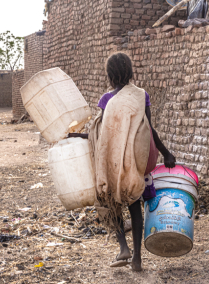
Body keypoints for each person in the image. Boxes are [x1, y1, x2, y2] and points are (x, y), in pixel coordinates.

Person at [69, 53, 176, 271]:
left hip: (112, 162)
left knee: (111, 203)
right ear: (130, 72)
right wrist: (166, 153)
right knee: (135, 205)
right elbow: (148, 129)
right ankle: (137, 258)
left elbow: (102, 136)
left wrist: (76, 137)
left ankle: (123, 248)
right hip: (136, 161)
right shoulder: (140, 95)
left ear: (109, 75)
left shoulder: (106, 100)